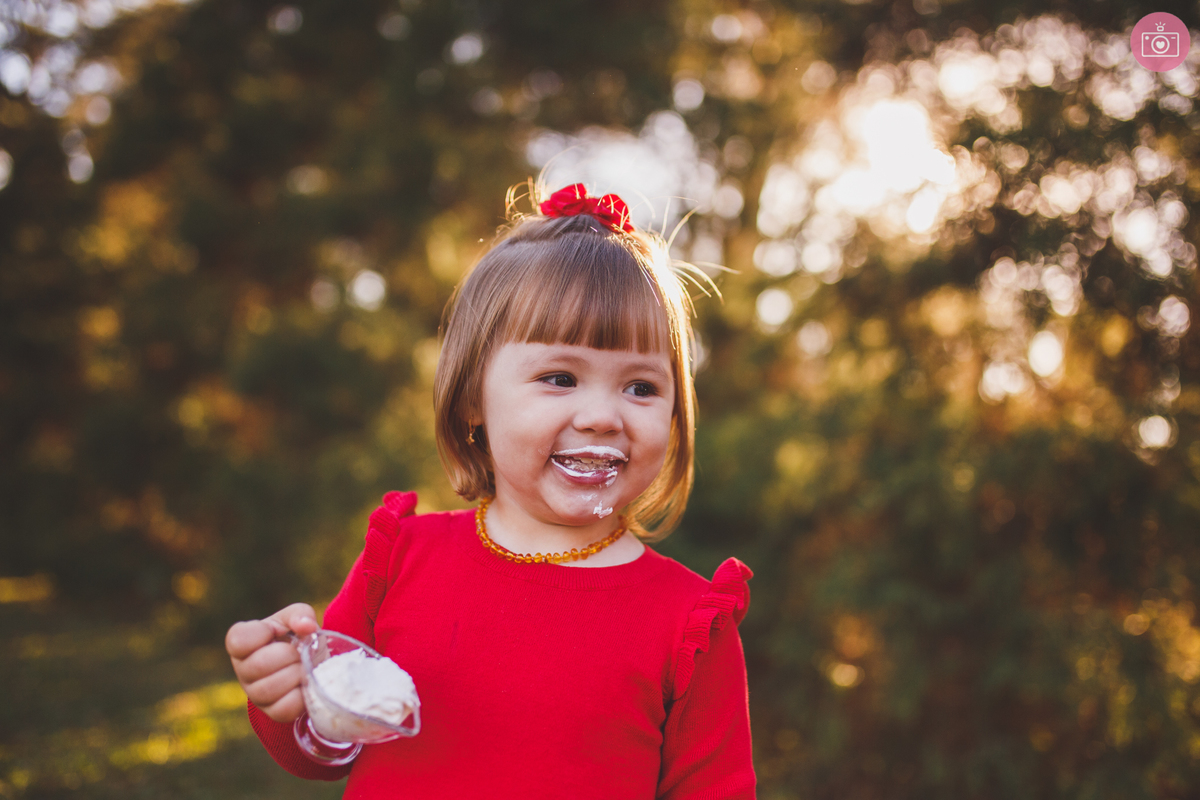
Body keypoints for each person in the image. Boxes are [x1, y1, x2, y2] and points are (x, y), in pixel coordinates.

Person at [225, 183, 756, 798]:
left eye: (641, 387)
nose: (604, 417)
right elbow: (326, 748)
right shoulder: (401, 557)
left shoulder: (690, 621)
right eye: (560, 377)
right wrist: (288, 697)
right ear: (474, 397)